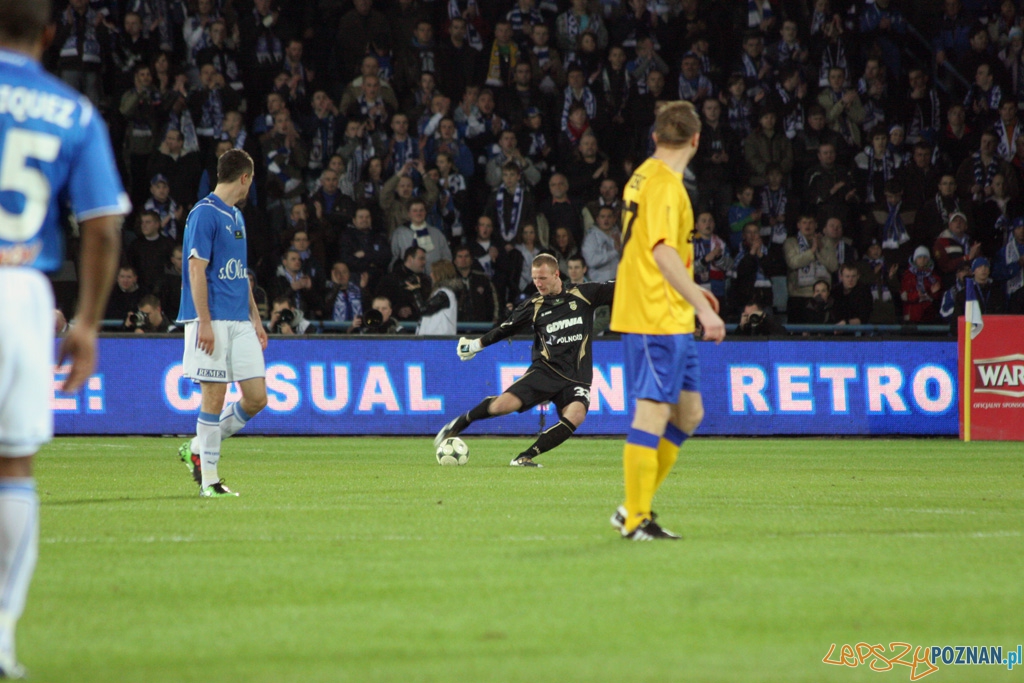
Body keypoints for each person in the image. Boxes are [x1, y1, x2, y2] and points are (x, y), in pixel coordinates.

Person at [0, 1, 129, 675]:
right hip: (21, 288)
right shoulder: (72, 112)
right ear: (50, 35)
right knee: (13, 467)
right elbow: (102, 224)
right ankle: (1, 634)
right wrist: (87, 321)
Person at [610, 100, 725, 541]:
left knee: (689, 413)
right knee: (654, 410)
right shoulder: (664, 185)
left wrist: (692, 295)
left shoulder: (644, 175)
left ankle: (631, 508)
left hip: (670, 312)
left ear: (656, 136)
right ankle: (636, 519)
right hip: (652, 313)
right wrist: (702, 306)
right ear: (696, 139)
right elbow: (661, 252)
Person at [434, 254, 615, 468]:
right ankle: (462, 421)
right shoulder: (534, 305)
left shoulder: (584, 294)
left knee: (576, 415)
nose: (538, 283)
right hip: (546, 371)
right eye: (535, 278)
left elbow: (621, 288)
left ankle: (524, 457)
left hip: (577, 376)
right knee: (501, 406)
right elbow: (505, 329)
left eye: (543, 278)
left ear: (556, 274)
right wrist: (475, 345)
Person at [176, 149, 268, 498]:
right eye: (251, 179)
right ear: (244, 178)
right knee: (214, 397)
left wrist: (256, 319)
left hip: (239, 321)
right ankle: (210, 482)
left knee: (257, 398)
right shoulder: (204, 213)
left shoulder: (236, 217)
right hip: (211, 319)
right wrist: (204, 322)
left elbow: (240, 275)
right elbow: (195, 269)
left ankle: (196, 447)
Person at [418, 260, 462, 336]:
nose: (430, 275)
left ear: (439, 274)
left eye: (433, 272)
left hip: (440, 340)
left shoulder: (445, 294)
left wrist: (415, 291)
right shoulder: (440, 292)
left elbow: (424, 309)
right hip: (433, 339)